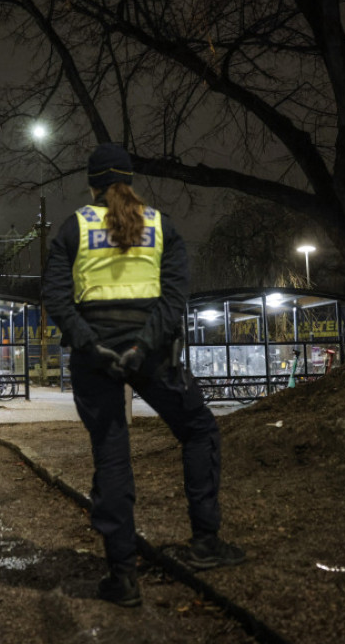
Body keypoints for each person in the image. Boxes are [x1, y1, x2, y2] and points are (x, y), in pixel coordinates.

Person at [43, 142, 245, 608]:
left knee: (112, 457)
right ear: (130, 180)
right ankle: (206, 543)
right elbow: (175, 299)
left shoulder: (74, 227)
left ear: (91, 184)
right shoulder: (160, 226)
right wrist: (141, 348)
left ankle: (123, 576)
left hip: (95, 360)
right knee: (198, 430)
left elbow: (55, 295)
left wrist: (92, 345)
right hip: (154, 357)